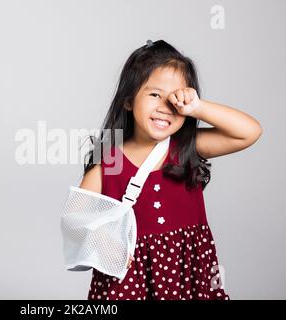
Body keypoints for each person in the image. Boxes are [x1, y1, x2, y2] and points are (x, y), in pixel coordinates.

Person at [80, 39, 262, 300]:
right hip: (129, 283)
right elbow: (78, 224)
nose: (166, 107)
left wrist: (198, 108)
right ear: (129, 100)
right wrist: (105, 246)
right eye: (155, 94)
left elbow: (249, 132)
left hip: (190, 278)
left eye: (176, 98)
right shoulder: (107, 165)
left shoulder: (186, 149)